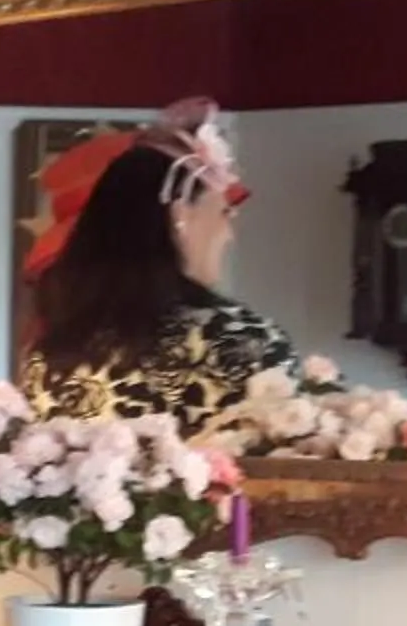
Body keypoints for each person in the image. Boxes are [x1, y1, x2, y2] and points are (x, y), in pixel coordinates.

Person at [18, 96, 297, 432]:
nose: (229, 235)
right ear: (180, 213)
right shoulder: (240, 341)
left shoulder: (51, 354)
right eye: (224, 213)